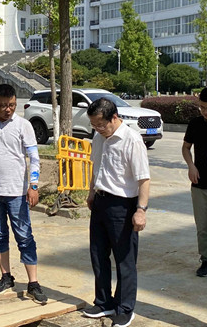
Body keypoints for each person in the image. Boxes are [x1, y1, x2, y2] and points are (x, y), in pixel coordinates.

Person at [0, 83, 47, 304]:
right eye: (3, 105)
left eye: (11, 105)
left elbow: (34, 157)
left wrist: (33, 185)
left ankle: (33, 282)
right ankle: (6, 277)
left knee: (24, 236)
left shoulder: (24, 126)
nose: (8, 109)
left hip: (17, 192)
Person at [82, 97, 150, 327]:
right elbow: (96, 166)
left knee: (124, 259)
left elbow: (143, 178)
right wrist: (92, 192)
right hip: (100, 202)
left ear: (114, 117)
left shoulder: (132, 140)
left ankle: (124, 308)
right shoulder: (99, 137)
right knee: (98, 255)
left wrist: (141, 210)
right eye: (94, 126)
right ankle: (104, 302)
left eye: (101, 125)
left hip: (123, 206)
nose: (98, 129)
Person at [181, 87, 207, 277]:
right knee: (202, 227)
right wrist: (191, 165)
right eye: (202, 107)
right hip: (200, 184)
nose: (206, 112)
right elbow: (186, 147)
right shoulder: (195, 124)